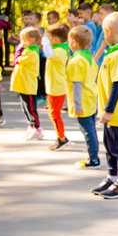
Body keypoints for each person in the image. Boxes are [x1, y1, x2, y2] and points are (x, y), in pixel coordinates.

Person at [91, 12, 118, 199]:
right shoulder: (113, 53)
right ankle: (112, 177)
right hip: (109, 113)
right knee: (109, 147)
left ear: (108, 31)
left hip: (115, 113)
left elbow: (117, 85)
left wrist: (108, 110)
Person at [67, 25, 100, 169]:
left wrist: (77, 105)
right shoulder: (90, 59)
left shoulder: (76, 61)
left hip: (83, 101)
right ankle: (94, 156)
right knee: (91, 129)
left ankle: (93, 159)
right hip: (91, 98)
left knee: (87, 131)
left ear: (74, 42)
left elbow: (77, 84)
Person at [11, 27, 43, 140]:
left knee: (31, 108)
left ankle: (37, 128)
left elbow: (16, 60)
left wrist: (19, 49)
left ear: (30, 40)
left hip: (28, 84)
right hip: (23, 83)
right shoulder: (28, 50)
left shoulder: (32, 53)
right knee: (25, 107)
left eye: (22, 39)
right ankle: (31, 125)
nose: (21, 41)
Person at [45, 23, 71, 151]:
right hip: (54, 87)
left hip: (57, 88)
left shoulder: (59, 51)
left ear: (56, 39)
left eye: (49, 37)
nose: (48, 40)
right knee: (53, 113)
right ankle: (61, 137)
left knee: (55, 114)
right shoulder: (59, 49)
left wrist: (44, 42)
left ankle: (61, 138)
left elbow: (48, 53)